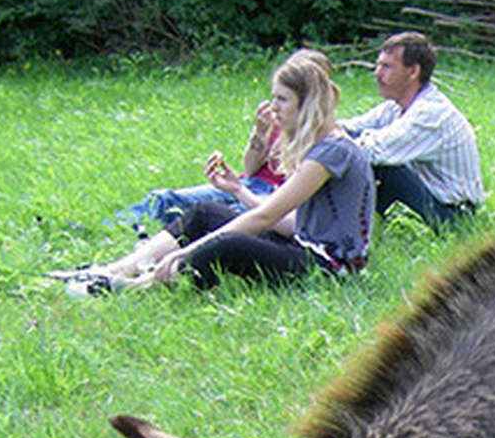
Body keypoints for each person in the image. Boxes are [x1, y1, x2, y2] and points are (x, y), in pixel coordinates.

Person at [64, 50, 374, 296]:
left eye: (282, 99)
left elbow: (266, 219)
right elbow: (294, 224)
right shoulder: (324, 145)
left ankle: (133, 289)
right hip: (304, 247)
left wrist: (190, 251)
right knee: (206, 214)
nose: (273, 107)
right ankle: (117, 270)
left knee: (226, 244)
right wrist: (238, 191)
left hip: (328, 269)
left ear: (305, 104)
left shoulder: (333, 151)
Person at [104, 50, 333, 230]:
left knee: (213, 214)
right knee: (164, 198)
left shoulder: (324, 137)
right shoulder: (278, 117)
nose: (276, 104)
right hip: (248, 183)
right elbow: (250, 169)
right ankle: (113, 227)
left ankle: (161, 239)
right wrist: (260, 132)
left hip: (272, 197)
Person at [340, 31, 483, 229]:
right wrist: (309, 129)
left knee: (379, 164)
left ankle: (344, 227)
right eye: (378, 65)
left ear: (413, 71)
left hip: (453, 215)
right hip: (432, 198)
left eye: (387, 67)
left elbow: (373, 151)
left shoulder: (431, 113)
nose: (377, 73)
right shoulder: (397, 105)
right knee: (349, 143)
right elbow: (352, 127)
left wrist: (321, 148)